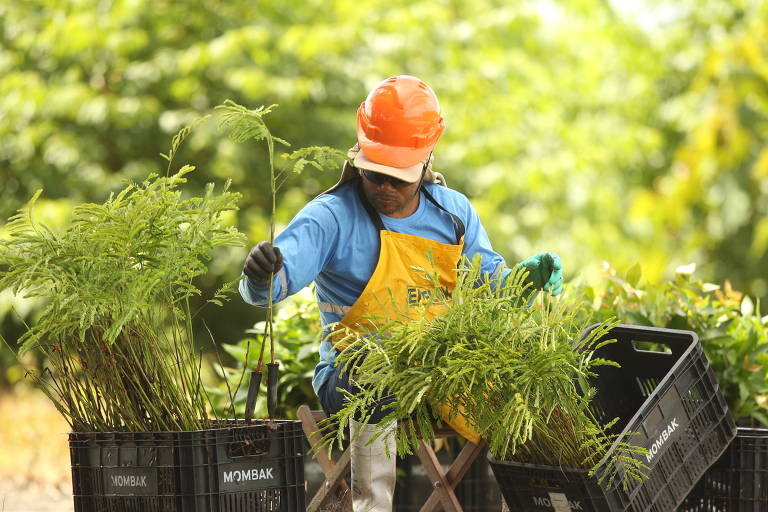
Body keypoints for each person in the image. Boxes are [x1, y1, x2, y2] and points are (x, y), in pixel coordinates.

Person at [239, 75, 563, 512]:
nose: (385, 188)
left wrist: (527, 280)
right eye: (375, 176)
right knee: (376, 377)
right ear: (360, 157)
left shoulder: (453, 213)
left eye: (399, 179)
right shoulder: (331, 216)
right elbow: (271, 286)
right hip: (353, 377)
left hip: (438, 378)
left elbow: (493, 290)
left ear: (426, 160)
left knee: (524, 381)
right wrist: (261, 275)